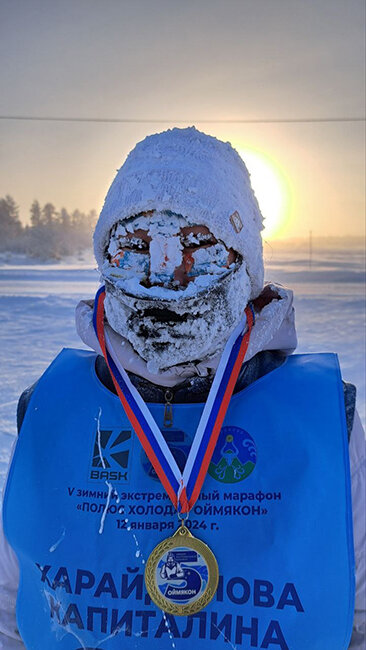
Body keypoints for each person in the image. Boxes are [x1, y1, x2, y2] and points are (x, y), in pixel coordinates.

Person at [0, 127, 364, 648]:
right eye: (137, 246)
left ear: (245, 257)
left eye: (197, 244)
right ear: (104, 255)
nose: (165, 273)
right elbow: (11, 609)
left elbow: (358, 611)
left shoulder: (325, 418)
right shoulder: (49, 410)